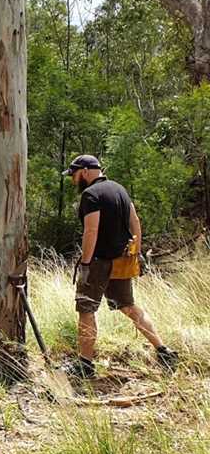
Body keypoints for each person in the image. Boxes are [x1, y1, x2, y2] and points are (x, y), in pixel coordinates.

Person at [64, 154, 179, 377]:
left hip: (99, 262)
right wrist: (135, 252)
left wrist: (86, 263)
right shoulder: (119, 190)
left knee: (86, 310)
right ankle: (164, 351)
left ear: (85, 171)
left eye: (75, 175)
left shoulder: (90, 195)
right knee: (128, 306)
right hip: (121, 259)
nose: (73, 180)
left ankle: (85, 366)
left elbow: (91, 230)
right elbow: (135, 222)